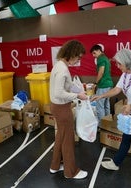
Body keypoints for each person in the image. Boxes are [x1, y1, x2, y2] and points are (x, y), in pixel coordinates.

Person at [91, 48, 131, 171]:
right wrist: (101, 95)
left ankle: (115, 163)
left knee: (127, 135)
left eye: (119, 63)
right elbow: (117, 89)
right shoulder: (126, 74)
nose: (117, 66)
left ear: (127, 62)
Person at [49, 40, 88, 179]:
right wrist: (78, 95)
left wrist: (80, 90)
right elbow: (59, 92)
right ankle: (71, 172)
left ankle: (55, 166)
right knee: (68, 140)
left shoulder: (59, 65)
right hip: (62, 108)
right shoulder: (62, 69)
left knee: (61, 136)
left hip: (57, 106)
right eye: (78, 57)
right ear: (72, 54)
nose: (78, 60)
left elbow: (68, 84)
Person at [90, 44, 113, 123]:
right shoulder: (106, 58)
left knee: (99, 106)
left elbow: (101, 71)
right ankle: (107, 123)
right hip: (109, 84)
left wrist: (96, 83)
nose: (93, 55)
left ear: (99, 51)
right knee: (106, 104)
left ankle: (101, 125)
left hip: (103, 85)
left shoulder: (100, 59)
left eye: (94, 53)